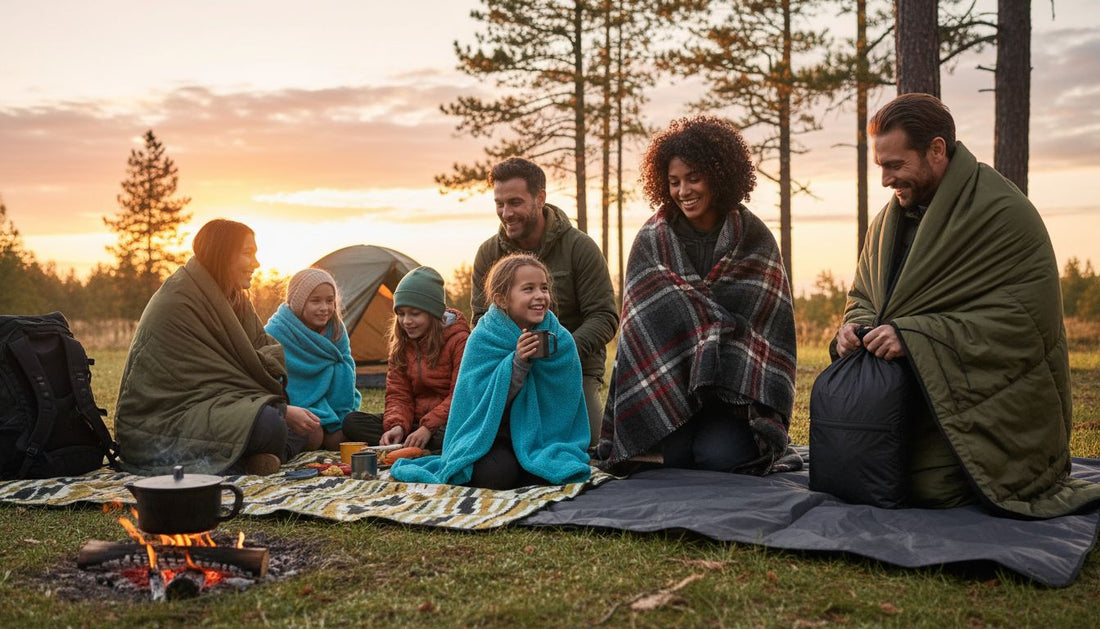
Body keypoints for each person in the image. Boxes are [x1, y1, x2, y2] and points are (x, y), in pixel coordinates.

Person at [834, 93, 1100, 517]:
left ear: (937, 150)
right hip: (907, 397)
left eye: (895, 165)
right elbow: (864, 296)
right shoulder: (888, 221)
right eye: (880, 165)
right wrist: (856, 327)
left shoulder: (1003, 214)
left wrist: (914, 336)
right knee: (861, 475)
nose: (885, 180)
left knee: (928, 488)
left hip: (991, 406)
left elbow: (1022, 324)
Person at [597, 116, 799, 476]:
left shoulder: (753, 237)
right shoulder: (652, 241)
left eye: (694, 178)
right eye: (674, 182)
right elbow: (640, 327)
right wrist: (711, 324)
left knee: (718, 459)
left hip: (731, 393)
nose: (683, 191)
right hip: (669, 381)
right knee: (670, 459)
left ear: (719, 177)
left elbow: (770, 319)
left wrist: (713, 327)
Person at [115, 219, 321, 476]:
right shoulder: (180, 300)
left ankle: (257, 458)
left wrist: (270, 387)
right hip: (168, 418)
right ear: (222, 255)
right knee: (270, 424)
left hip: (218, 404)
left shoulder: (234, 296)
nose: (256, 263)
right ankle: (248, 461)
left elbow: (261, 347)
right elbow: (204, 380)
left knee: (295, 423)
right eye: (248, 254)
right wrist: (279, 409)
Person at [391, 254, 591, 490]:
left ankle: (534, 463)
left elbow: (565, 401)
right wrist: (517, 364)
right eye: (528, 289)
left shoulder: (560, 339)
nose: (540, 296)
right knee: (495, 475)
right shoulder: (484, 338)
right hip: (493, 435)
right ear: (502, 299)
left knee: (552, 470)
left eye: (544, 288)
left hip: (544, 436)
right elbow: (475, 401)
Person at [471, 157, 619, 448]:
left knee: (587, 443)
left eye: (515, 202)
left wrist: (559, 350)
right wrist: (514, 359)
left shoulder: (580, 247)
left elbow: (604, 317)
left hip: (573, 366)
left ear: (540, 198)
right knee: (489, 444)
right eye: (499, 204)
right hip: (508, 367)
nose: (506, 213)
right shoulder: (488, 254)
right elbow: (479, 320)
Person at [341, 266, 470, 451]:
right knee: (352, 423)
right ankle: (409, 442)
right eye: (401, 314)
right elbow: (399, 394)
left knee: (448, 435)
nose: (406, 321)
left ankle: (417, 443)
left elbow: (460, 395)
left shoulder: (460, 341)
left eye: (414, 314)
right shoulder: (402, 343)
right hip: (413, 421)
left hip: (447, 421)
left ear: (433, 313)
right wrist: (397, 425)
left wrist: (428, 427)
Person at [265, 267, 360, 452]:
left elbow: (346, 369)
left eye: (330, 301)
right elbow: (269, 377)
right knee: (313, 434)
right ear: (299, 302)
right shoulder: (277, 332)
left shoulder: (337, 331)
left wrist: (341, 411)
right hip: (294, 407)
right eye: (315, 301)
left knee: (338, 441)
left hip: (331, 405)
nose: (324, 308)